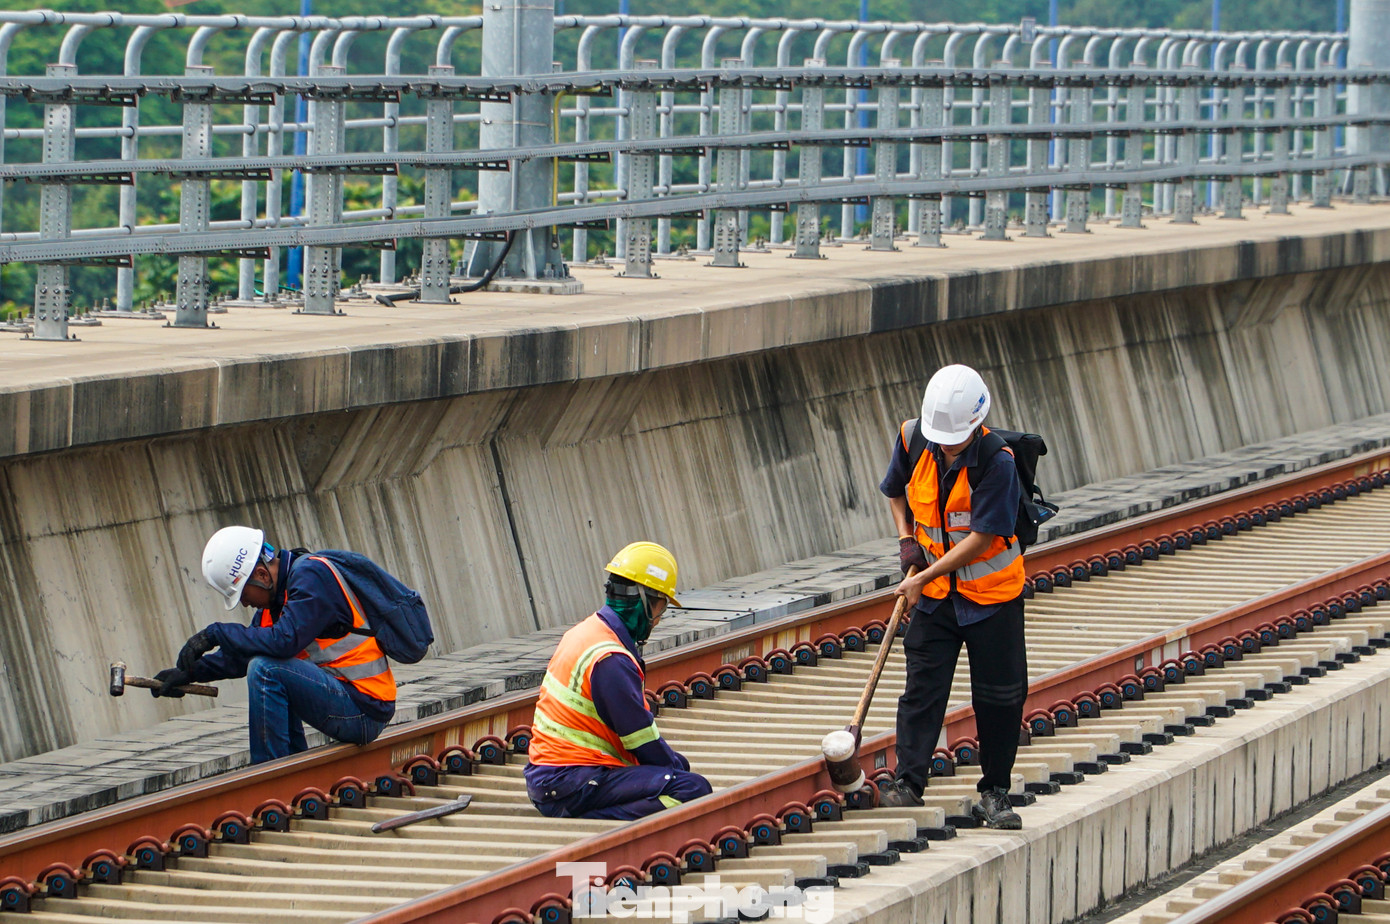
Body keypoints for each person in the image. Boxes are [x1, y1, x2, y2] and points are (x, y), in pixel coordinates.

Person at [877, 364, 1028, 830]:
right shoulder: (913, 438)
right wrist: (906, 541)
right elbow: (895, 493)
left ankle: (995, 792)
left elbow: (981, 540)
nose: (945, 445)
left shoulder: (998, 462)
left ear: (975, 424)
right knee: (921, 688)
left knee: (1000, 698)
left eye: (954, 439)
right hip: (938, 596)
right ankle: (908, 782)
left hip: (992, 598)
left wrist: (922, 576)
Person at [151, 526, 399, 764]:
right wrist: (189, 673)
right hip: (345, 699)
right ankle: (292, 768)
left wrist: (216, 633)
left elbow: (283, 642)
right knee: (266, 665)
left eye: (243, 595)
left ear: (261, 575)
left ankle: (270, 774)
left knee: (266, 669)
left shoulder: (312, 578)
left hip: (366, 708)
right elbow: (242, 656)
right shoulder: (276, 605)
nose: (245, 604)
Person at [524, 541, 712, 820]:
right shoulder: (610, 659)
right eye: (661, 607)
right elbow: (640, 739)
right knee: (693, 789)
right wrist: (674, 769)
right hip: (570, 783)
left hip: (557, 776)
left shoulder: (588, 632)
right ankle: (589, 821)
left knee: (677, 768)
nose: (658, 620)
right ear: (645, 601)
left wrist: (674, 766)